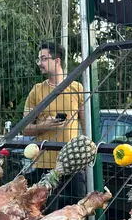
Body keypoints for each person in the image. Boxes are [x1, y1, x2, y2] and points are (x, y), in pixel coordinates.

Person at [23, 42, 86, 208]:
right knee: (46, 217)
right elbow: (25, 129)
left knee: (76, 214)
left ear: (57, 61)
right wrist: (45, 125)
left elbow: (86, 127)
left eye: (43, 58)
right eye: (39, 59)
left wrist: (87, 153)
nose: (39, 63)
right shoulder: (36, 91)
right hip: (44, 167)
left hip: (73, 165)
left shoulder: (77, 88)